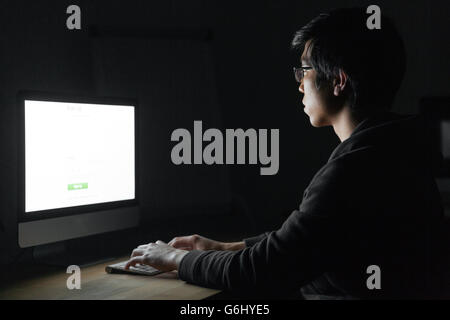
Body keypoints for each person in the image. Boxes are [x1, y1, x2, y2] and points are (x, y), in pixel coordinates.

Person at [125, 7, 445, 299]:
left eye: (304, 70)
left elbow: (265, 270)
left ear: (338, 81)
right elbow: (303, 243)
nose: (300, 85)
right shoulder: (393, 150)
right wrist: (224, 247)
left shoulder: (354, 169)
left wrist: (176, 259)